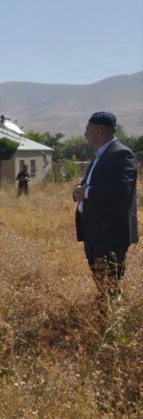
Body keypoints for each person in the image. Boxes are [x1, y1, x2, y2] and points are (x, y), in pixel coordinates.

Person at [73, 111, 138, 318]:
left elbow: (122, 191)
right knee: (101, 280)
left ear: (99, 131)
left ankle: (110, 323)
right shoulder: (100, 155)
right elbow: (91, 184)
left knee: (109, 281)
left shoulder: (121, 154)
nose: (85, 134)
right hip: (94, 230)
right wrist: (79, 189)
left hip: (110, 233)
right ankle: (107, 318)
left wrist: (88, 192)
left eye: (88, 130)